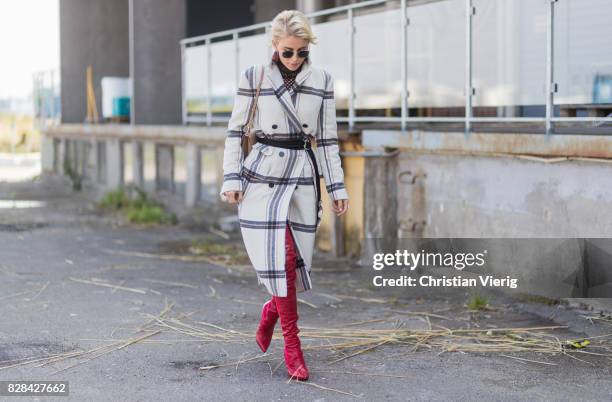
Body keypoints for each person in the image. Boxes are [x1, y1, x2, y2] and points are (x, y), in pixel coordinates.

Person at [219, 9, 349, 381]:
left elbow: (326, 139)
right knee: (283, 256)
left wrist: (336, 186)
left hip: (301, 175)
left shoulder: (322, 79)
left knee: (291, 264)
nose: (295, 59)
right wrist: (232, 179)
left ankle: (270, 312)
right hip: (262, 176)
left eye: (301, 52)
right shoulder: (254, 77)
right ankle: (293, 347)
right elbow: (236, 131)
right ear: (274, 46)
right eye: (288, 51)